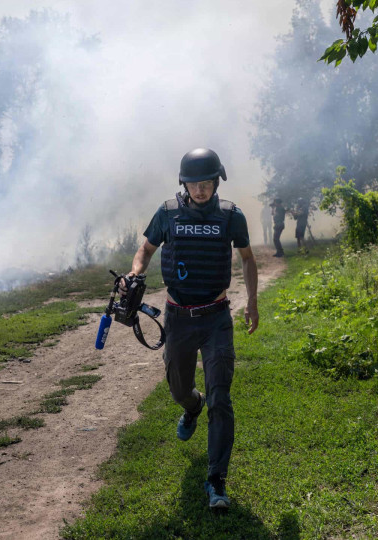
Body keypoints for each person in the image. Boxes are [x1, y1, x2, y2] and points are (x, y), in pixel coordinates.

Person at [127, 147, 259, 509]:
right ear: (183, 183)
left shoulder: (232, 216)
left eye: (207, 183)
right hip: (178, 318)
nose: (200, 190)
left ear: (217, 182)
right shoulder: (168, 213)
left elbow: (247, 259)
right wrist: (135, 274)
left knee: (222, 397)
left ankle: (216, 481)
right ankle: (191, 406)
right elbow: (146, 250)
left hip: (217, 318)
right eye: (193, 183)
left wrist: (252, 301)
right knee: (179, 389)